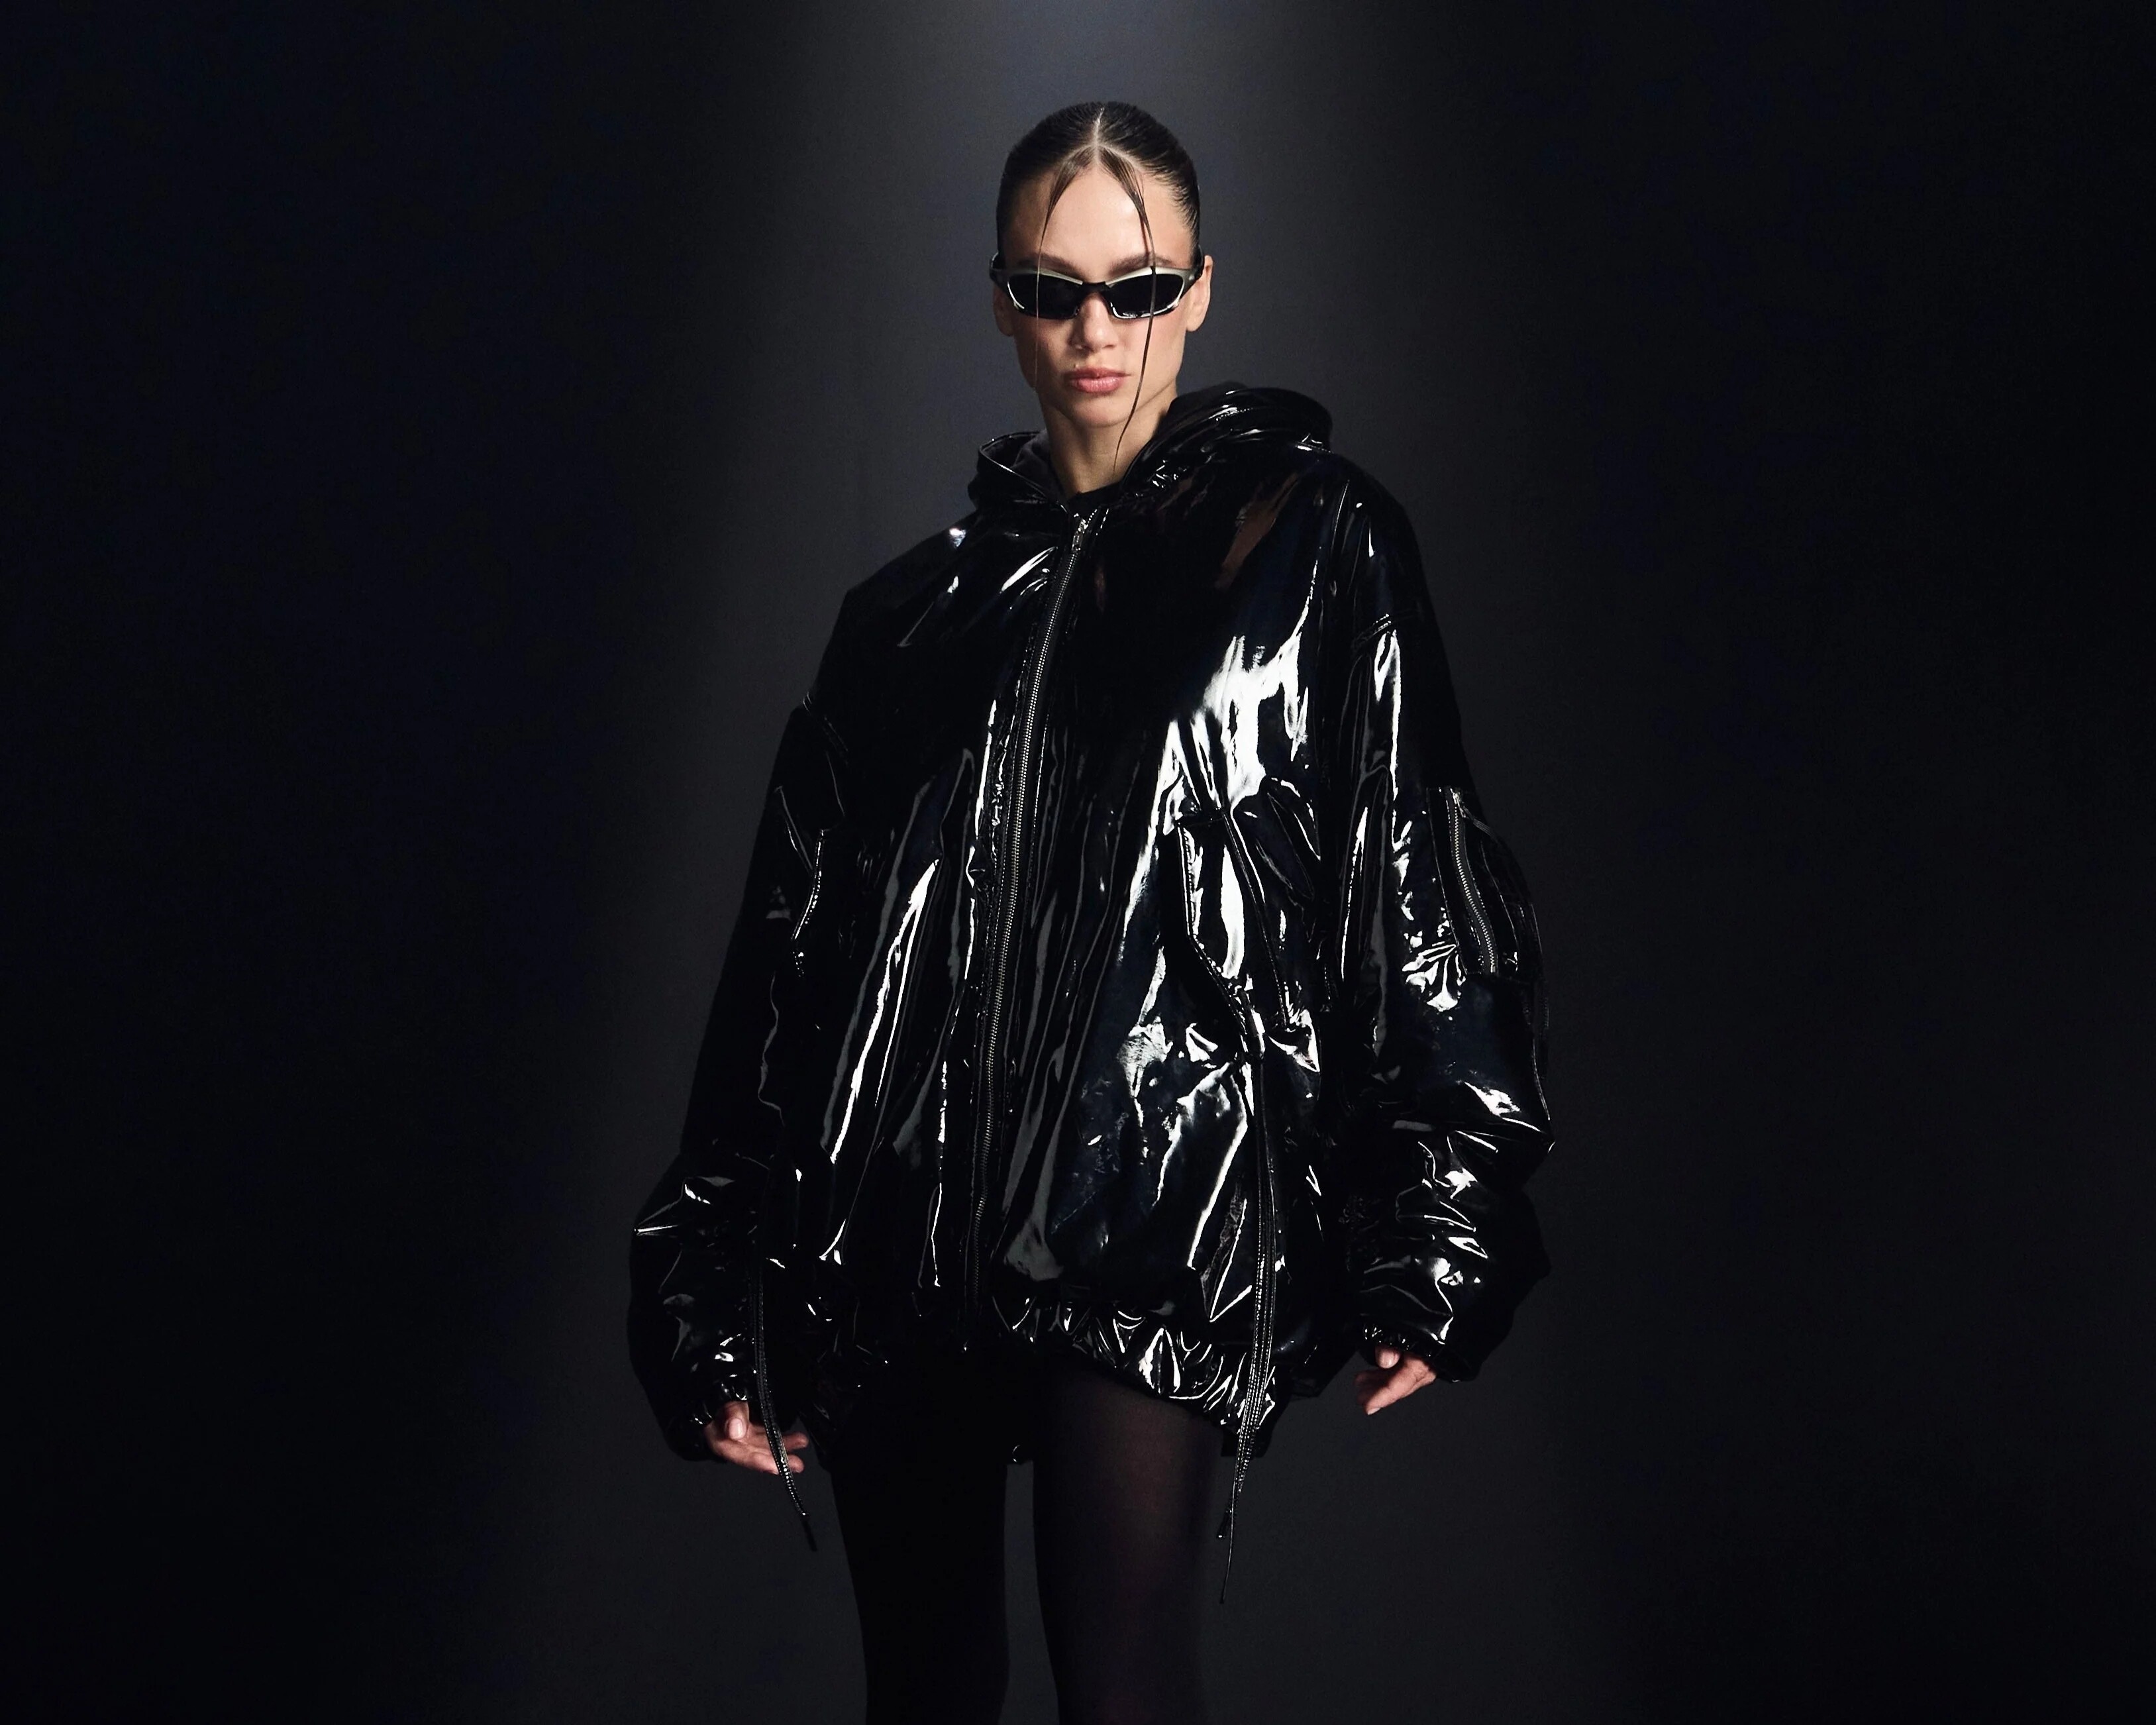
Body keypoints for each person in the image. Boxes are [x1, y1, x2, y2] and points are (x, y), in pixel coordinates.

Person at [629, 100, 1555, 1725]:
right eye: (1051, 290)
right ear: (1001, 300)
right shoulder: (904, 620)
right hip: (897, 1218)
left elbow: (1406, 853)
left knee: (1125, 1691)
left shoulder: (1307, 543)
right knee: (923, 1696)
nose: (1094, 331)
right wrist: (705, 1273)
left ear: (1198, 290)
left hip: (1149, 1205)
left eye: (1136, 288)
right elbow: (788, 951)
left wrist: (1445, 1199)